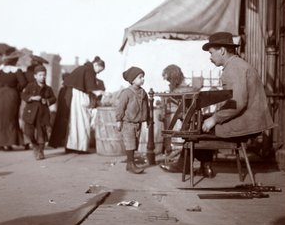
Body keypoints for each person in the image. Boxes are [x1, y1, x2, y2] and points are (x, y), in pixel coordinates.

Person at [161, 31, 275, 178]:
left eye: (211, 53)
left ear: (222, 51)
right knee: (200, 122)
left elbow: (238, 103)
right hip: (249, 119)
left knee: (196, 126)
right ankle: (205, 166)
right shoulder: (237, 64)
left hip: (245, 123)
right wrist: (212, 117)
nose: (210, 58)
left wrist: (214, 119)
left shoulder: (234, 68)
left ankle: (185, 165)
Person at [49, 56, 105, 152]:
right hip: (77, 97)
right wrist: (102, 93)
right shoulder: (89, 70)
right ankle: (79, 147)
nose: (98, 73)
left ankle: (71, 146)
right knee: (81, 121)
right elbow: (91, 89)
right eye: (99, 70)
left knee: (73, 122)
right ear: (95, 65)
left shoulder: (84, 68)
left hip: (72, 95)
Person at [0, 48, 28, 151]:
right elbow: (24, 83)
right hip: (12, 96)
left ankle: (0, 143)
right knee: (10, 119)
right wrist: (15, 89)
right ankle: (8, 142)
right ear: (14, 61)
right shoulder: (17, 71)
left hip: (0, 95)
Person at [116, 66, 150, 174]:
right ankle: (131, 164)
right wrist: (118, 120)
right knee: (130, 143)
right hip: (128, 123)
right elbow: (120, 107)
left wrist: (147, 119)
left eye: (143, 77)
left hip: (138, 123)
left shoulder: (143, 92)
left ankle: (129, 164)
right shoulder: (126, 93)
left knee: (134, 143)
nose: (143, 79)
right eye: (140, 77)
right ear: (133, 80)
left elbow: (146, 107)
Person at [21, 65, 56, 160]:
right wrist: (32, 98)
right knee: (28, 132)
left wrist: (47, 101)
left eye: (44, 75)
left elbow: (54, 98)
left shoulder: (48, 88)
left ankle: (41, 151)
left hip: (42, 114)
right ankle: (34, 144)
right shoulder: (30, 86)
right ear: (35, 76)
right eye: (40, 75)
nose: (43, 77)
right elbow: (23, 95)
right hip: (30, 113)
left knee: (41, 134)